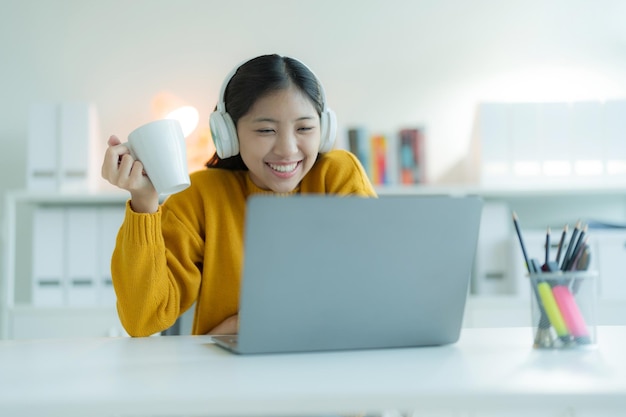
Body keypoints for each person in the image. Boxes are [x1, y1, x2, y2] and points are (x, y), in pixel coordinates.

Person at [101, 54, 376, 337]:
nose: (287, 149)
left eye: (304, 128)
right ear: (228, 133)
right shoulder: (200, 197)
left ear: (324, 128)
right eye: (266, 130)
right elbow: (142, 320)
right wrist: (144, 203)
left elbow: (373, 286)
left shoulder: (338, 175)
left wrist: (239, 326)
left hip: (329, 362)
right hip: (228, 374)